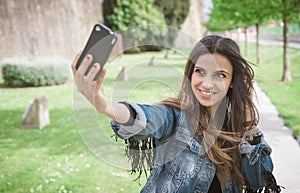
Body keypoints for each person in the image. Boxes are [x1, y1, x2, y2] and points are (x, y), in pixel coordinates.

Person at [72, 35, 281, 193]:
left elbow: (258, 180)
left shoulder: (237, 128)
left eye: (220, 75)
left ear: (232, 83)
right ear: (190, 73)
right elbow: (146, 117)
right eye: (200, 71)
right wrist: (104, 105)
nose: (206, 83)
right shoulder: (174, 116)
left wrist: (246, 119)